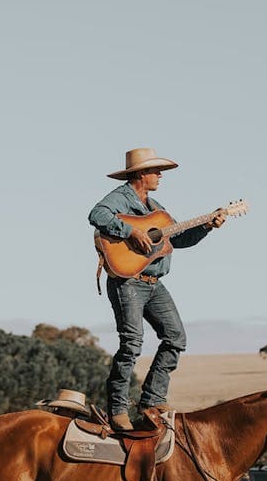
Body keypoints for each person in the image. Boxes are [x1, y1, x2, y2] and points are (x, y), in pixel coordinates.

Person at [88, 147, 224, 431]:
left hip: (154, 284)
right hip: (128, 282)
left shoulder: (157, 210)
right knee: (132, 343)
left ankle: (151, 400)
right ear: (140, 174)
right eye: (155, 171)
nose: (160, 176)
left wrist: (207, 226)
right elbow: (96, 214)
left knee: (175, 337)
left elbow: (181, 239)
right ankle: (117, 409)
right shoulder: (121, 198)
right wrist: (131, 232)